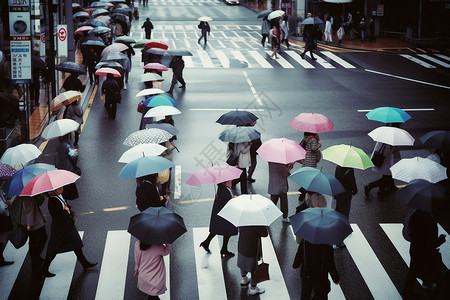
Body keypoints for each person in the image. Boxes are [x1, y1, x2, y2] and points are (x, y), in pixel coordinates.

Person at [41, 186, 97, 277]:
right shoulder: (52, 201)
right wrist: (65, 210)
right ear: (53, 191)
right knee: (53, 248)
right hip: (60, 228)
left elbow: (66, 205)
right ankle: (44, 270)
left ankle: (85, 263)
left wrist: (67, 208)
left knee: (76, 243)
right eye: (59, 187)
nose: (62, 188)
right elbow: (56, 216)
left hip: (68, 225)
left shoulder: (60, 195)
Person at [403, 209, 446, 298]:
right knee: (419, 269)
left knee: (415, 269)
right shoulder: (428, 219)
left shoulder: (416, 214)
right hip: (424, 250)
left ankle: (421, 285)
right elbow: (428, 241)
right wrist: (440, 240)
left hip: (415, 248)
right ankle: (408, 293)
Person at [199, 180, 237, 257]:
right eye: (229, 180)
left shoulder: (222, 188)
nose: (232, 180)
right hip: (225, 214)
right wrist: (234, 199)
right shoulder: (225, 191)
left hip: (220, 213)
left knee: (218, 229)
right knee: (227, 231)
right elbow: (228, 203)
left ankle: (208, 243)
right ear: (224, 182)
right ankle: (222, 248)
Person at [20, 195, 47, 277]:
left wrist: (42, 196)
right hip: (34, 222)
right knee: (38, 239)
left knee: (36, 240)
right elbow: (29, 209)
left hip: (37, 220)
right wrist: (30, 224)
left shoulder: (32, 193)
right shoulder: (27, 195)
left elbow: (38, 203)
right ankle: (35, 258)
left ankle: (36, 257)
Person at [238, 225, 268, 295]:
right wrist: (264, 227)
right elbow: (265, 234)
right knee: (253, 269)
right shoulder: (257, 224)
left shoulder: (242, 220)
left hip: (242, 246)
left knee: (242, 263)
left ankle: (244, 279)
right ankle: (253, 288)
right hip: (252, 249)